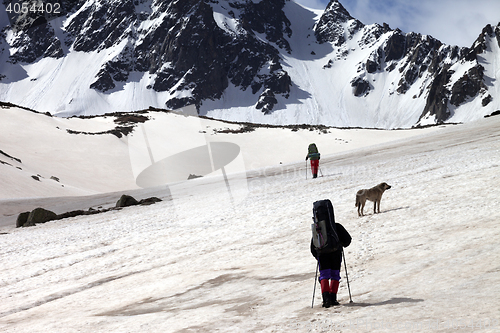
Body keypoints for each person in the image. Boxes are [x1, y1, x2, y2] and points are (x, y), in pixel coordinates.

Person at [311, 222, 351, 308]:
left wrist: (318, 256)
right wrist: (341, 244)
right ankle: (333, 298)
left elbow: (312, 247)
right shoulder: (336, 226)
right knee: (335, 275)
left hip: (322, 255)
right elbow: (348, 240)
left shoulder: (318, 229)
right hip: (336, 254)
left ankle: (326, 300)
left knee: (324, 275)